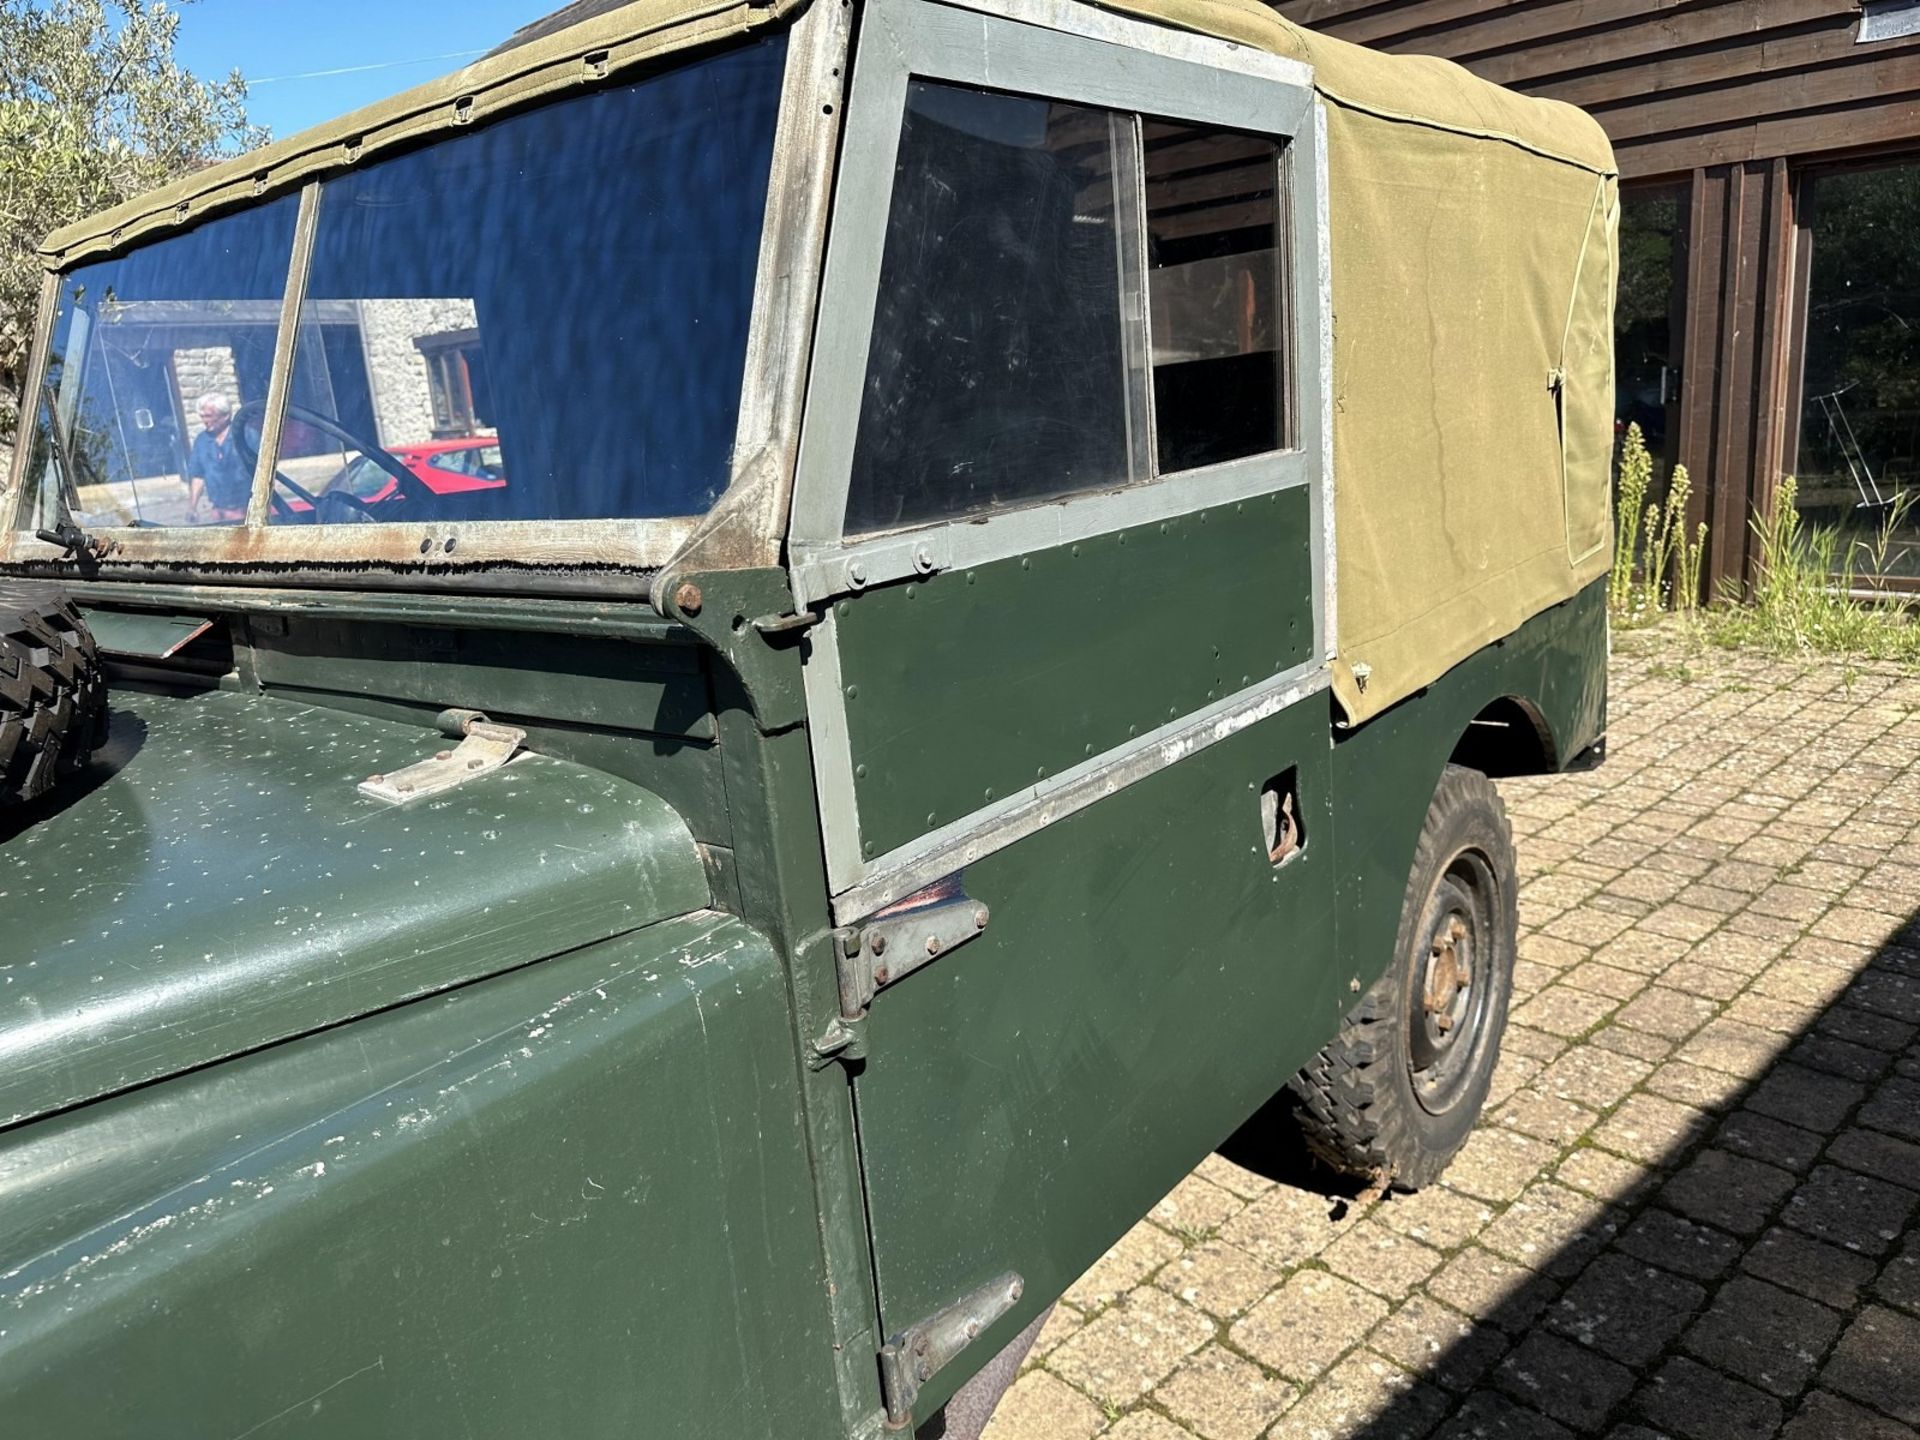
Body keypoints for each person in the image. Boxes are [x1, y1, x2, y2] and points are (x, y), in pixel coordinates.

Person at [185, 393, 250, 523]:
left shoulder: (245, 435)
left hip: (246, 509)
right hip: (219, 511)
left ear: (225, 416)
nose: (205, 421)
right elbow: (198, 476)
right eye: (202, 417)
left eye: (209, 416)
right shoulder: (202, 441)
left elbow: (264, 470)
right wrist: (192, 507)